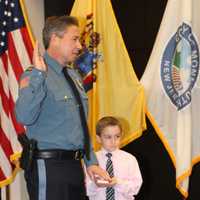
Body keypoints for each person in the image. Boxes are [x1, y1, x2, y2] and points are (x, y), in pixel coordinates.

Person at [15, 15, 111, 200]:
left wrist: (90, 162)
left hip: (74, 167)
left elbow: (81, 125)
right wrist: (38, 76)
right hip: (48, 168)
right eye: (74, 39)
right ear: (54, 39)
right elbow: (24, 116)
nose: (80, 46)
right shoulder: (34, 75)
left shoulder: (74, 76)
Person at [86, 116, 143, 200]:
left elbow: (135, 188)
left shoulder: (130, 159)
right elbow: (85, 189)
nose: (113, 141)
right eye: (108, 137)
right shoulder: (91, 160)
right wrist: (95, 184)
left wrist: (118, 183)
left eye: (117, 136)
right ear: (98, 138)